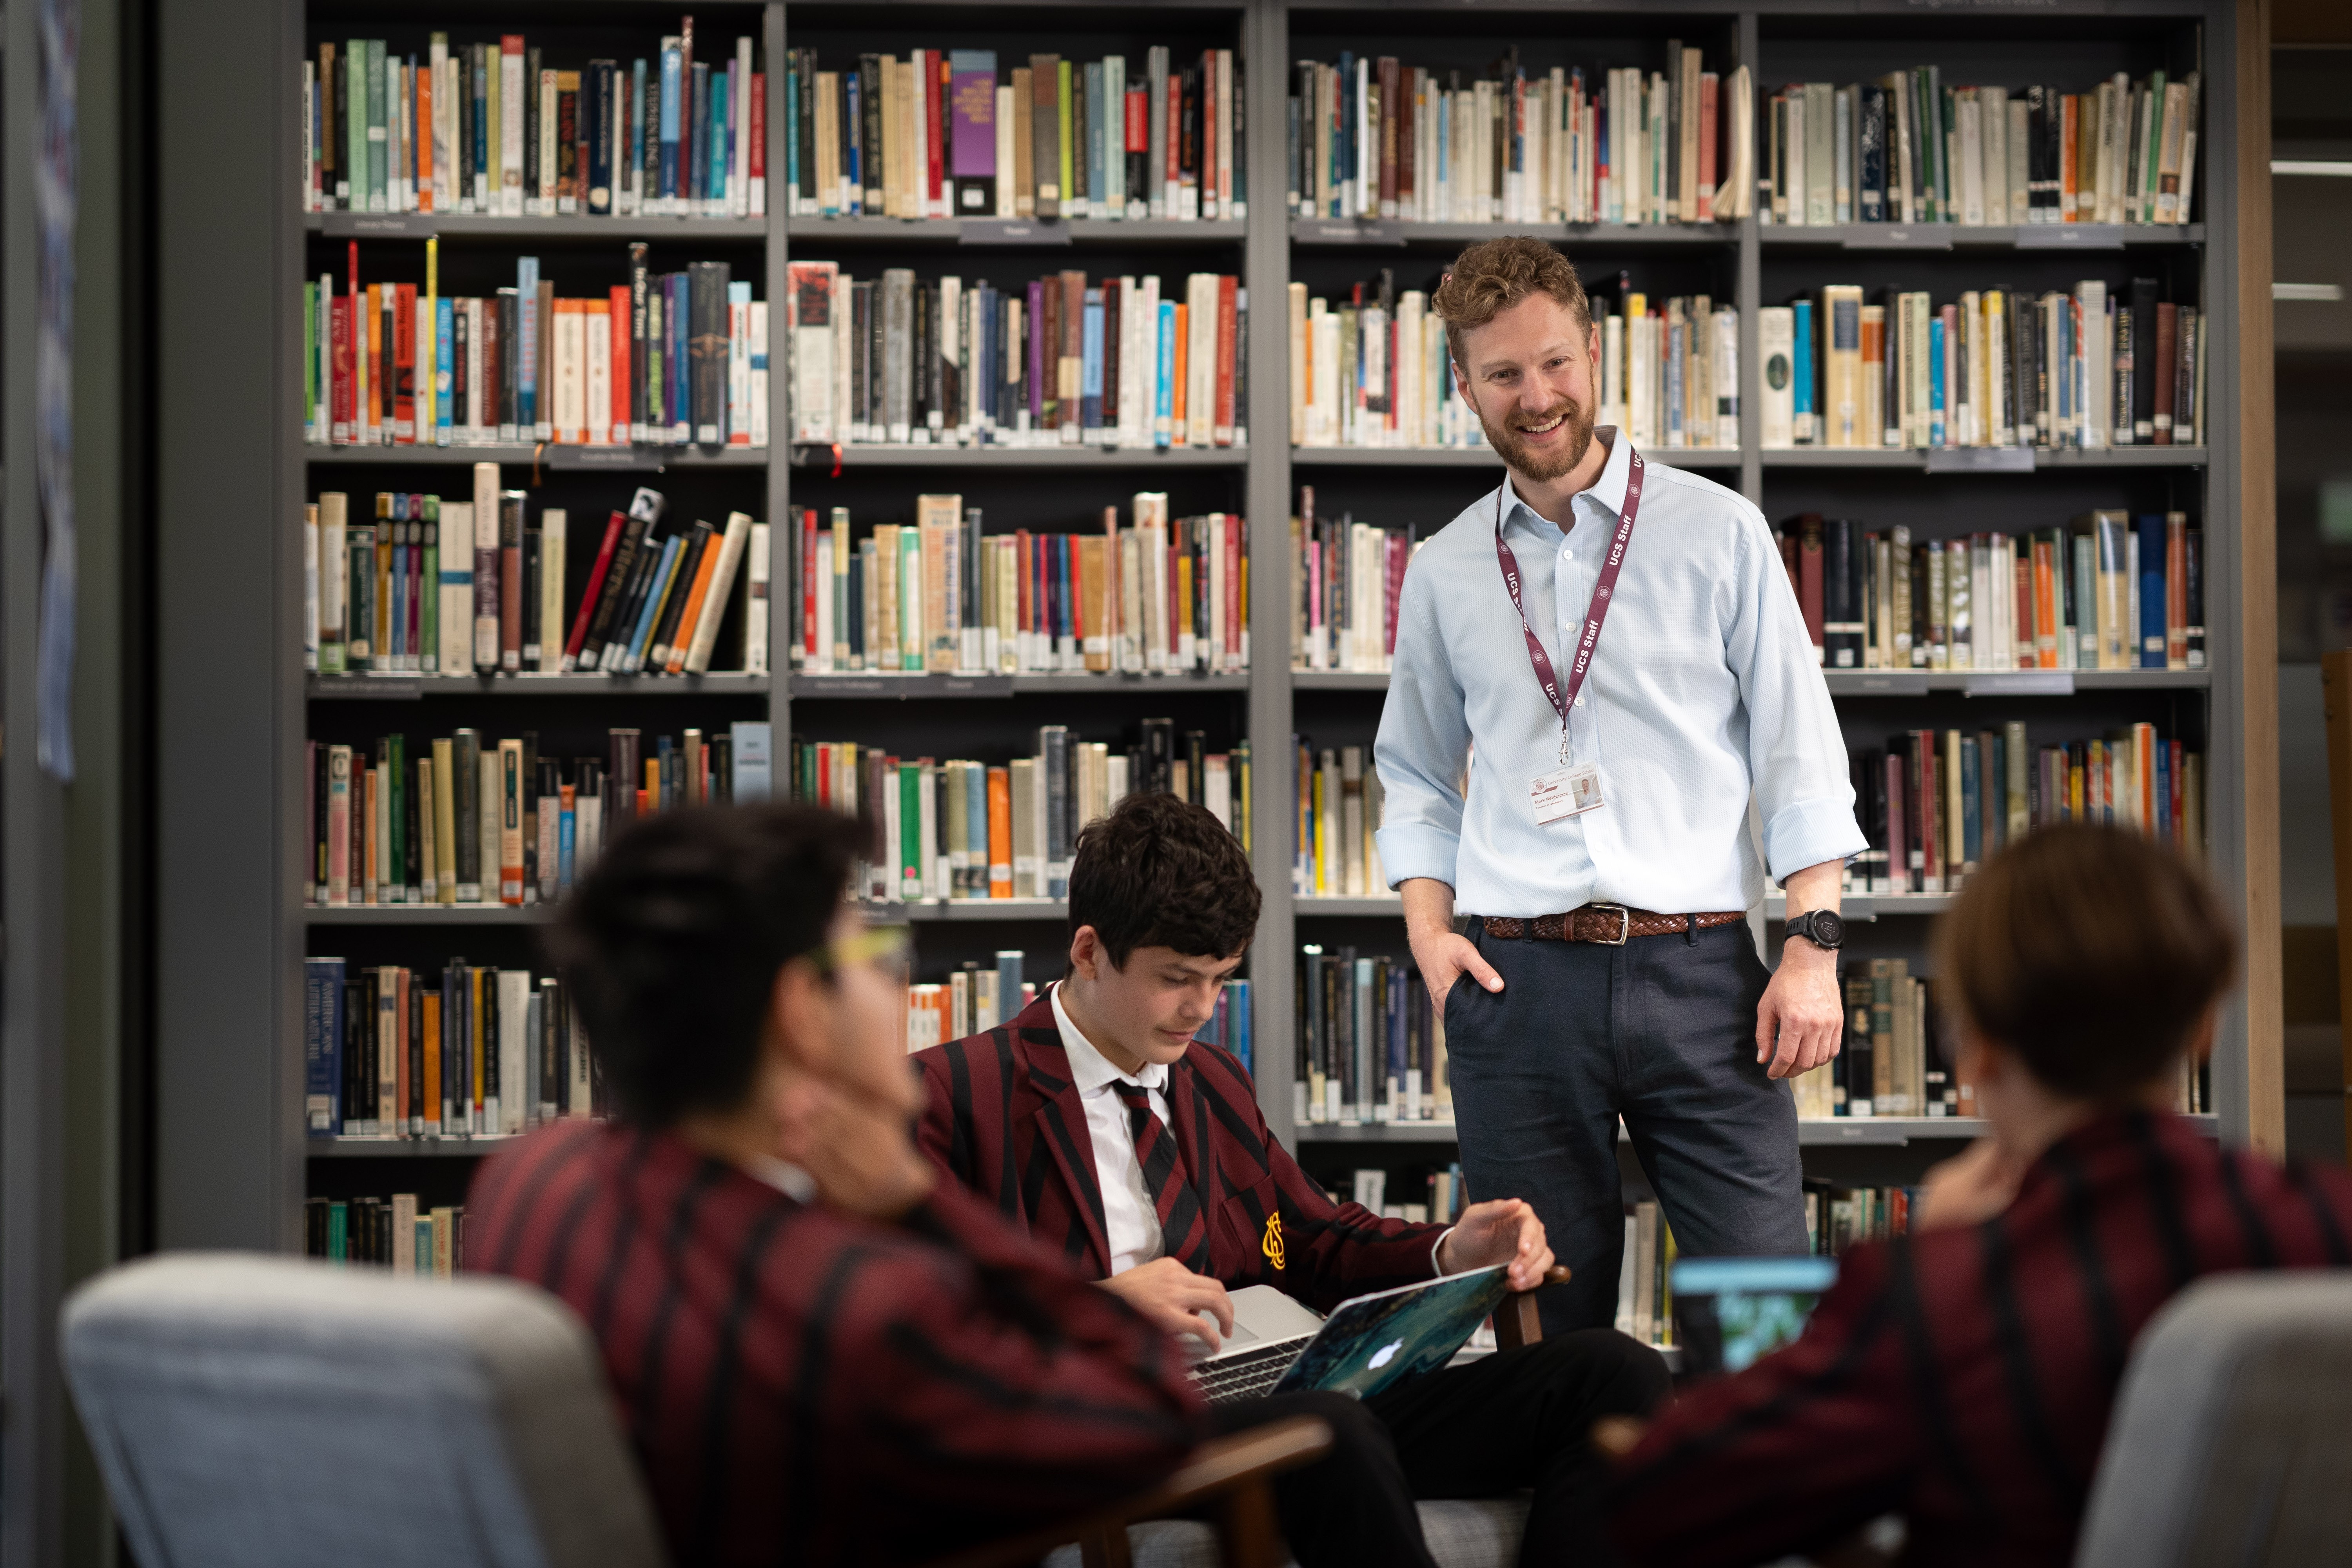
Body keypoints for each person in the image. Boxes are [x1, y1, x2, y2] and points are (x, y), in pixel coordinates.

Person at [915, 790, 1670, 1568]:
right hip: (1104, 1420)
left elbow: (1317, 1239)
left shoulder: (1212, 1078)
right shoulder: (954, 1095)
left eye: (1221, 977)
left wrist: (1451, 1247)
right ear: (1087, 950)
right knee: (1321, 1428)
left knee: (1614, 1371)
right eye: (1177, 977)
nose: (1200, 1008)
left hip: (1268, 1387)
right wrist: (1094, 1306)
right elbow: (903, 1326)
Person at [466, 804, 1206, 1568]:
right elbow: (1156, 1408)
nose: (897, 990)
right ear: (803, 1008)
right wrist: (922, 1197)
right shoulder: (864, 1309)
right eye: (876, 955)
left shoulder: (532, 1175)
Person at [1608, 823, 2352, 1568]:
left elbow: (1652, 1506)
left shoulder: (1939, 1296)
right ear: (2203, 1027)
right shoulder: (2330, 1224)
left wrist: (1940, 1245)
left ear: (1975, 1047)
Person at [1377, 236, 1867, 1332]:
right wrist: (1428, 934)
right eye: (1502, 374)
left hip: (1701, 978)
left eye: (1554, 364)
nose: (1536, 397)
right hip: (1516, 988)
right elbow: (1411, 768)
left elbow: (1801, 752)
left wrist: (1812, 948)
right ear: (1464, 387)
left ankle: (1753, 1507)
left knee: (1758, 1321)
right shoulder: (1449, 567)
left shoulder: (1718, 532)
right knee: (1544, 1334)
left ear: (1595, 356)